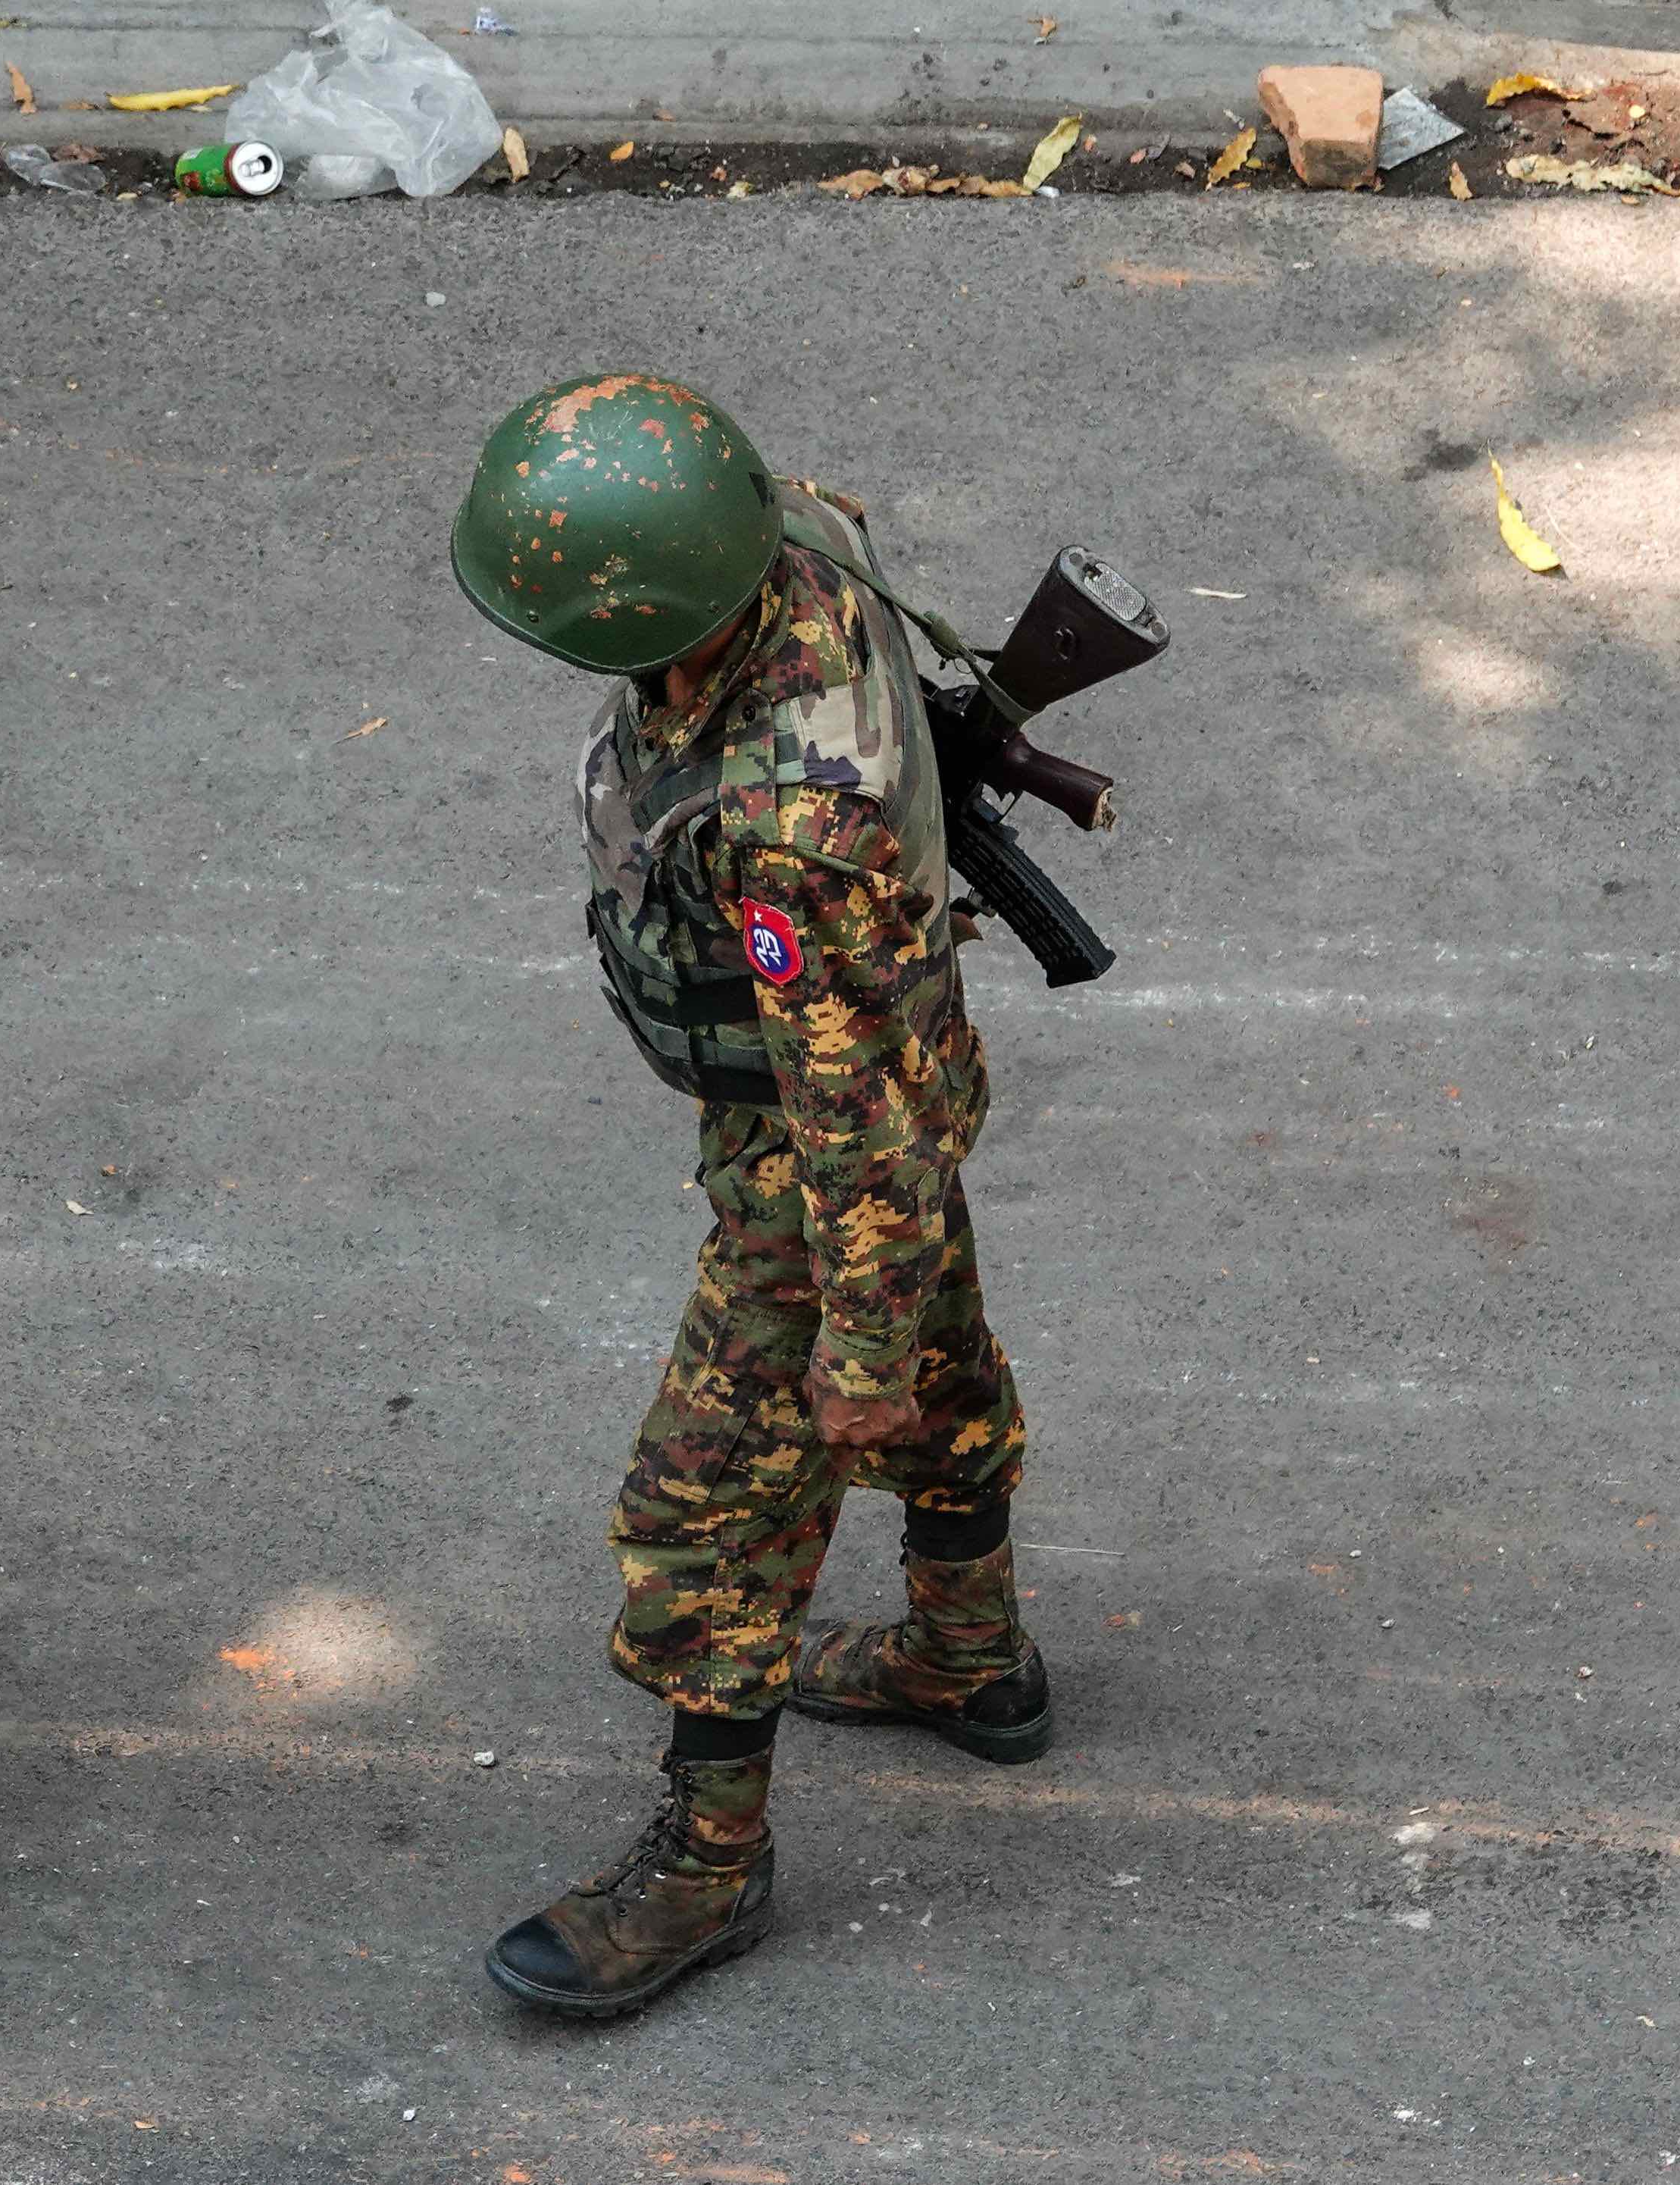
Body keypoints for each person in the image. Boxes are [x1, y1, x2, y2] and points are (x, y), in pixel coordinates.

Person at [449, 376, 1050, 2018]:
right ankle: (966, 1654)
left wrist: (848, 1343)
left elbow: (853, 1127)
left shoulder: (794, 831)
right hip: (886, 1071)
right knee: (935, 1351)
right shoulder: (777, 527)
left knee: (705, 1512)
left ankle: (706, 1868)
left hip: (820, 1151)